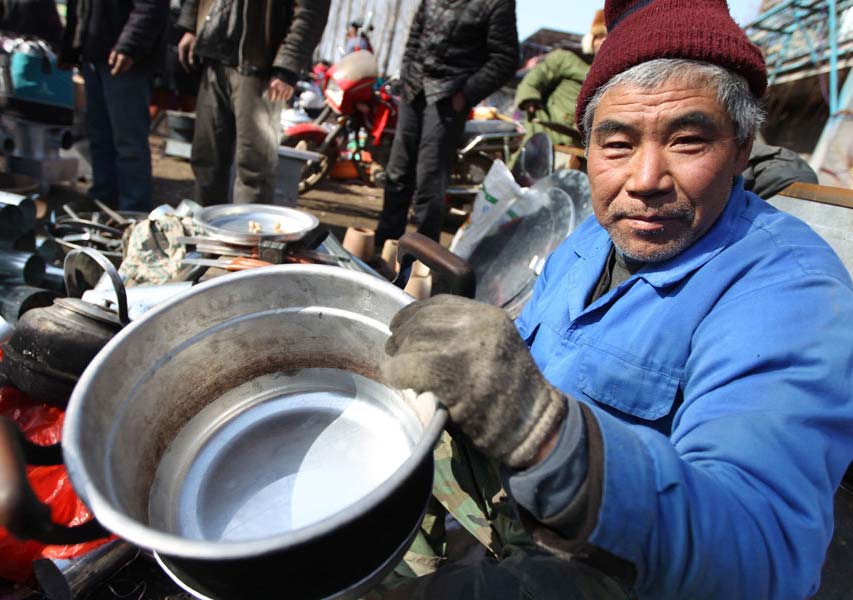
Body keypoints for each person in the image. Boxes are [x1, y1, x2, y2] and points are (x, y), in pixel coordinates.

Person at [379, 0, 853, 598]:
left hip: (619, 563)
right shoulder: (590, 236)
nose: (645, 179)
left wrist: (544, 433)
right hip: (511, 498)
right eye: (618, 144)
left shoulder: (789, 290)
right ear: (586, 149)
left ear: (741, 147)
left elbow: (763, 550)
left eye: (687, 140)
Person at [373, 0, 519, 248]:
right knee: (398, 171)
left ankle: (423, 257)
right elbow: (414, 39)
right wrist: (408, 73)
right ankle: (382, 245)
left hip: (448, 96)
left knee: (429, 181)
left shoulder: (497, 3)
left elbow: (506, 58)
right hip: (414, 89)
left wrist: (465, 95)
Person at [176, 0, 330, 206]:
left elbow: (310, 11)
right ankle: (206, 232)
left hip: (262, 68)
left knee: (254, 168)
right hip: (215, 57)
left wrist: (287, 66)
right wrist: (191, 26)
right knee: (206, 160)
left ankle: (247, 233)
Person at [60, 0, 169, 213]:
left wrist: (129, 45)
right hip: (95, 54)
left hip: (128, 60)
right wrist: (71, 48)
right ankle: (103, 200)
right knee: (99, 138)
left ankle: (133, 210)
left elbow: (151, 5)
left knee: (129, 143)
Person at [514, 10, 606, 151]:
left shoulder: (614, 72)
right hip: (550, 133)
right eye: (599, 36)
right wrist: (529, 101)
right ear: (591, 39)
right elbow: (533, 80)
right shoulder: (565, 57)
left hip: (582, 141)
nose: (603, 41)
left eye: (608, 36)